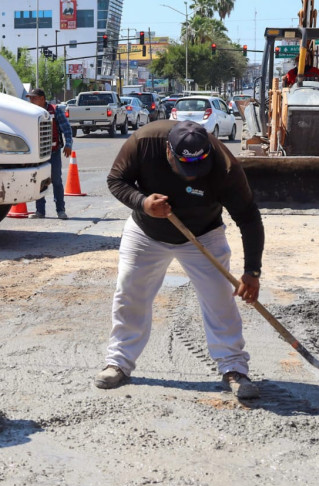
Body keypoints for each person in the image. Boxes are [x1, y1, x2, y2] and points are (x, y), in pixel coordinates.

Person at [95, 120, 265, 399]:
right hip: (146, 232)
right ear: (168, 151)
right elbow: (116, 180)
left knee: (220, 300)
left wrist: (252, 272)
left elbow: (248, 217)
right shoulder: (144, 142)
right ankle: (118, 362)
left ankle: (234, 367)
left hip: (204, 234)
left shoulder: (225, 166)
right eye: (185, 168)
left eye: (198, 169)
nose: (191, 177)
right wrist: (143, 203)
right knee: (129, 293)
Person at [27, 88, 73, 219]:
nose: (31, 101)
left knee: (56, 181)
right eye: (30, 98)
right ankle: (40, 211)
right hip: (37, 154)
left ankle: (60, 210)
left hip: (53, 152)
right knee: (39, 182)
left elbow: (66, 128)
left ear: (42, 99)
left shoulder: (55, 110)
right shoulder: (30, 112)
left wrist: (68, 144)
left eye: (34, 98)